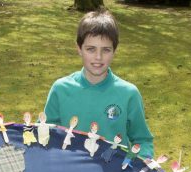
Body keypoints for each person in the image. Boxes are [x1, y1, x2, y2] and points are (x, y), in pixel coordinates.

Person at [43, 10, 154, 158]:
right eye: (91, 49)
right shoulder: (60, 89)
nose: (98, 57)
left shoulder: (129, 93)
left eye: (106, 50)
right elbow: (44, 133)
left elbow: (142, 140)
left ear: (115, 50)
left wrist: (142, 161)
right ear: (79, 49)